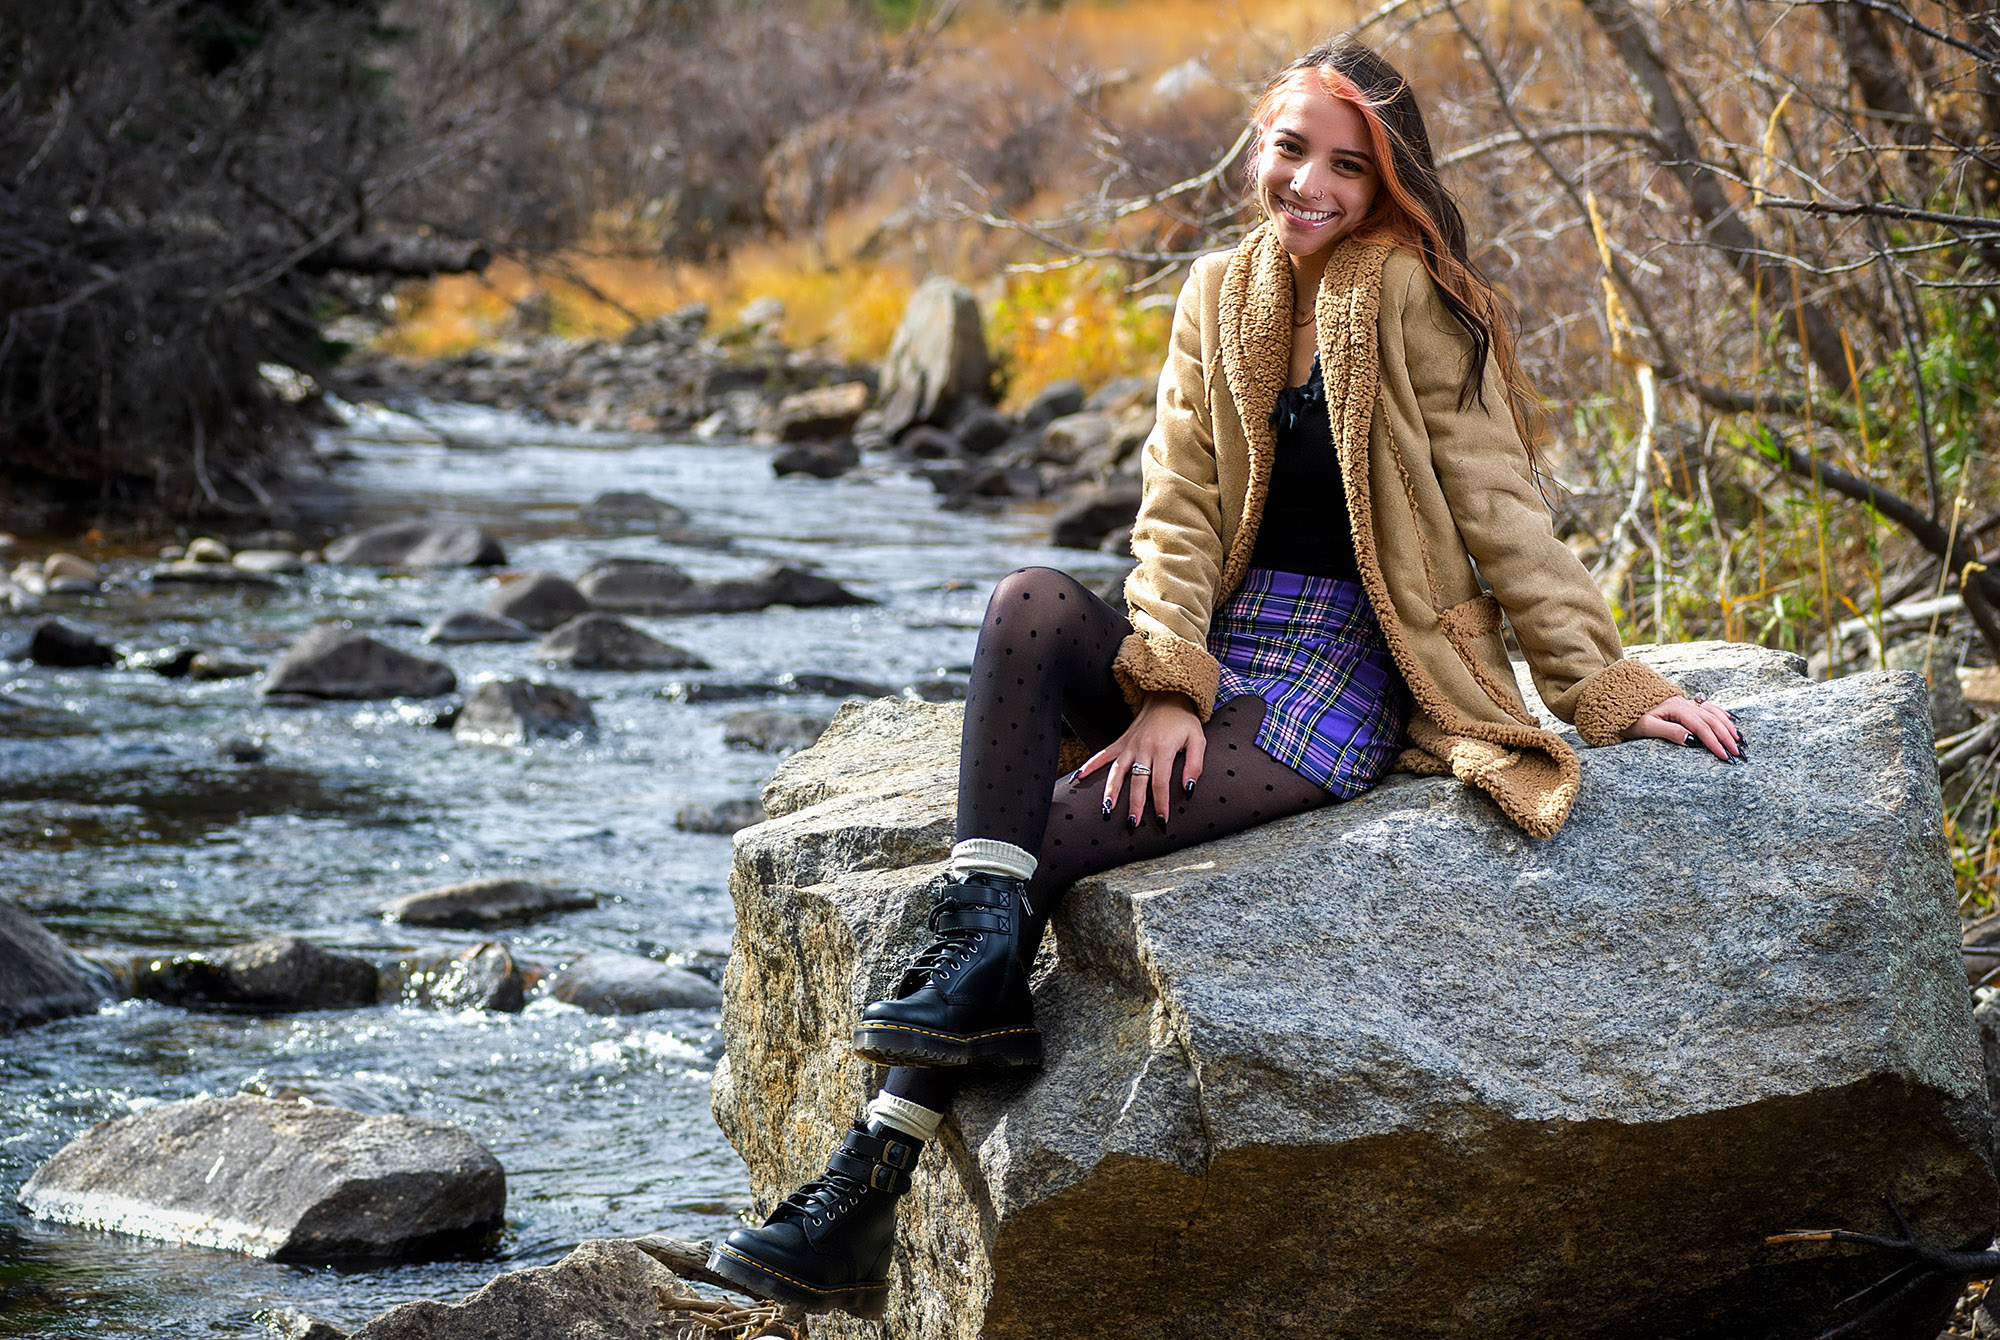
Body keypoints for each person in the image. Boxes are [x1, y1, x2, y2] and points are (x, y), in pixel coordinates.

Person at [706, 35, 1745, 1319]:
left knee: (1052, 834)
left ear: (1387, 183)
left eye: (1344, 167)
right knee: (1025, 602)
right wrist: (1166, 685)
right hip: (1221, 638)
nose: (1306, 182)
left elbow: (1498, 508)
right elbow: (1178, 515)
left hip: (1347, 666)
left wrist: (1605, 685)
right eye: (1288, 148)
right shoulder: (1216, 294)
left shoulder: (1414, 296)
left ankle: (870, 1173)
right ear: (1257, 145)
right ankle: (975, 983)